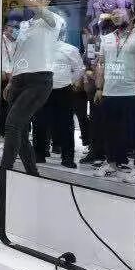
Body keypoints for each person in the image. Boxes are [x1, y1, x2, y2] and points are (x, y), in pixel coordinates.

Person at [1, 0, 64, 176]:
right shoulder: (25, 24)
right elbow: (20, 54)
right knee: (19, 130)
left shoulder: (54, 19)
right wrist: (11, 81)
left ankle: (4, 171)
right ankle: (32, 172)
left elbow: (36, 7)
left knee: (12, 125)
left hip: (39, 80)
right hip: (19, 80)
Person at [93, 7, 135, 183]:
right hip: (110, 91)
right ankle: (112, 163)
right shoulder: (106, 38)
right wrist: (99, 88)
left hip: (133, 91)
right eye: (113, 13)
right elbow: (101, 63)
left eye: (120, 12)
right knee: (110, 131)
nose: (115, 15)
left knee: (134, 133)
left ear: (132, 16)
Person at [32, 29, 84, 169]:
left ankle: (67, 158)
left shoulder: (70, 49)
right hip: (42, 91)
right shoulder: (38, 49)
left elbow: (79, 69)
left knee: (66, 125)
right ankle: (39, 154)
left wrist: (68, 81)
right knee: (39, 123)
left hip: (63, 91)